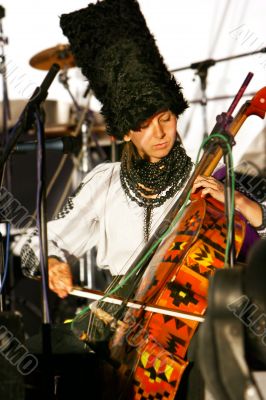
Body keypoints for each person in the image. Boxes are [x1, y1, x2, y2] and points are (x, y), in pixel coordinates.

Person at [20, 0, 266, 398]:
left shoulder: (207, 181)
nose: (160, 133)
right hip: (111, 329)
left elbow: (261, 242)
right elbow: (35, 243)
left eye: (165, 118)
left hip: (189, 340)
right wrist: (51, 261)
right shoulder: (104, 182)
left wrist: (243, 204)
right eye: (143, 124)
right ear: (123, 133)